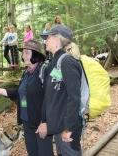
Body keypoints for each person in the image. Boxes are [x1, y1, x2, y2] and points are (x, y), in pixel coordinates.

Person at [0, 40, 53, 156]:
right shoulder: (26, 72)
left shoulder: (44, 70)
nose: (22, 55)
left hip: (40, 122)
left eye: (26, 52)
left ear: (35, 55)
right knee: (32, 152)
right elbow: (20, 93)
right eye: (23, 53)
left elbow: (51, 98)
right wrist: (2, 91)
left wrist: (45, 122)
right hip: (27, 122)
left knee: (44, 153)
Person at [39, 25, 83, 156]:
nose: (45, 40)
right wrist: (45, 121)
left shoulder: (67, 62)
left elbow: (74, 98)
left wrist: (69, 128)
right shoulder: (54, 62)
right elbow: (51, 96)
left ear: (57, 39)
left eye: (48, 37)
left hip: (67, 129)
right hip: (58, 127)